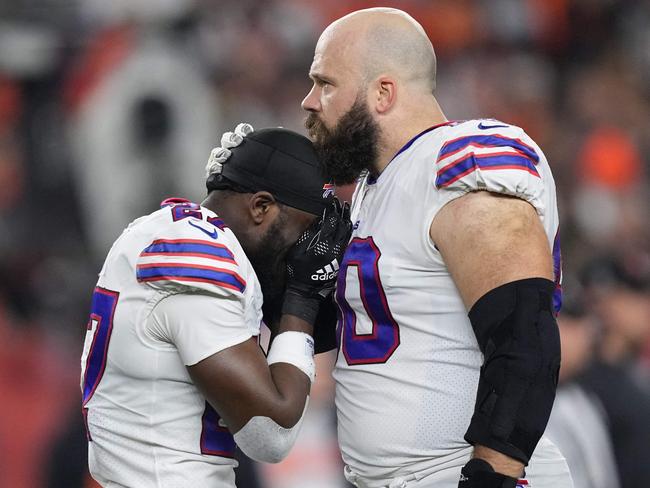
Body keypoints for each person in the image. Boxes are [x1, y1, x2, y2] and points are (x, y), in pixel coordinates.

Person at [302, 8, 572, 488]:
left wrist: (493, 475)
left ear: (382, 93)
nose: (309, 101)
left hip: (463, 474)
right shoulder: (377, 185)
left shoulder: (458, 164)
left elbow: (524, 341)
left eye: (325, 83)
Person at [80, 123, 352, 487]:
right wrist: (301, 297)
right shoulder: (196, 255)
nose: (305, 255)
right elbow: (271, 433)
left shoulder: (168, 232)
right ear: (261, 207)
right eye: (305, 237)